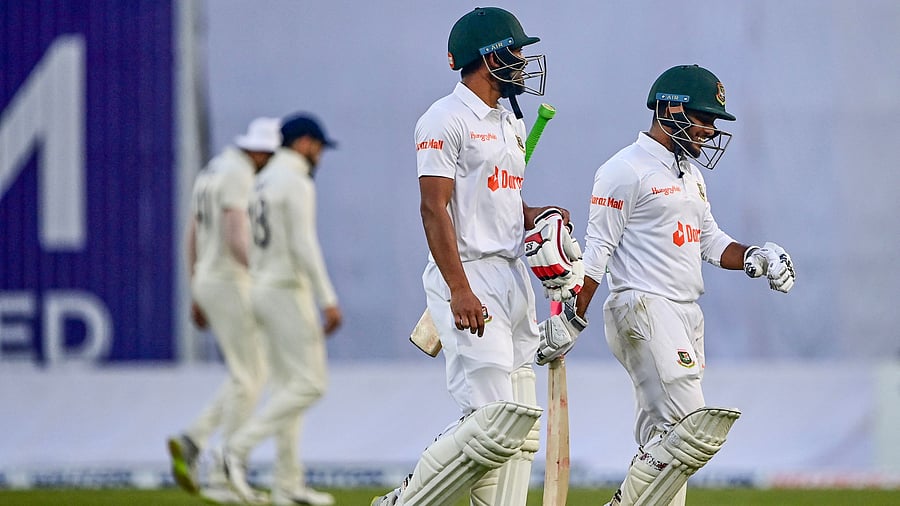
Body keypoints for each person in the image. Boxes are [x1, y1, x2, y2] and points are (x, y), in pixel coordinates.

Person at [534, 64, 796, 506]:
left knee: (666, 441)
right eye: (704, 117)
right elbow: (598, 251)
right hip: (643, 307)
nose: (710, 131)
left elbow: (709, 240)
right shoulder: (624, 169)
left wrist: (754, 255)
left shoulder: (690, 174)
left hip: (685, 313)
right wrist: (571, 320)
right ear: (671, 109)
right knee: (693, 427)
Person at [372, 7, 581, 506]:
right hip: (468, 276)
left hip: (512, 277)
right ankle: (405, 501)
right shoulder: (444, 119)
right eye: (516, 51)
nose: (524, 61)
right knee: (493, 422)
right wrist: (459, 288)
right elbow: (433, 208)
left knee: (519, 429)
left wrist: (534, 213)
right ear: (489, 57)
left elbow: (498, 200)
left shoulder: (510, 117)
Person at [223, 113, 342, 506]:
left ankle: (287, 484)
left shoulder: (264, 178)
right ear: (305, 143)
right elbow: (303, 243)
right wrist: (327, 299)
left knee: (287, 387)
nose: (320, 155)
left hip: (260, 287)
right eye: (319, 147)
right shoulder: (295, 179)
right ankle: (236, 448)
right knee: (311, 384)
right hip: (286, 290)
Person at [167, 117, 280, 502]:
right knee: (251, 377)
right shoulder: (238, 173)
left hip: (210, 279)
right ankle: (222, 474)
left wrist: (195, 286)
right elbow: (235, 236)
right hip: (231, 281)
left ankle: (194, 439)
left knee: (246, 374)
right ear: (261, 152)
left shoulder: (213, 169)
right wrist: (265, 276)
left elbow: (192, 232)